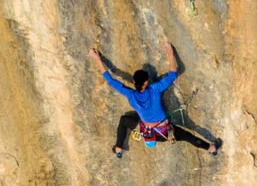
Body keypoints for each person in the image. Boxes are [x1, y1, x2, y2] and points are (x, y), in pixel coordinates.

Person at [90, 40, 218, 157]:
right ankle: (211, 148)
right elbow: (173, 74)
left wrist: (97, 59)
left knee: (124, 120)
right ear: (147, 82)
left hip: (148, 133)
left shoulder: (130, 94)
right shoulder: (155, 89)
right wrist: (170, 53)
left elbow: (111, 80)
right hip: (164, 132)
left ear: (134, 81)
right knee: (187, 136)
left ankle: (118, 148)